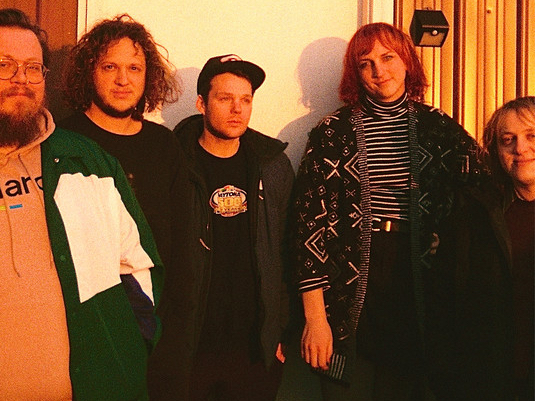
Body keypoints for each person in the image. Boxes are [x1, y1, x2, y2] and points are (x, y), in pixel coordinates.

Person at [292, 22, 510, 400]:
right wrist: (315, 318)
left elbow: (486, 184)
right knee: (345, 387)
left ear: (407, 60)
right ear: (355, 74)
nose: (379, 70)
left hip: (418, 276)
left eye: (388, 57)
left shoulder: (436, 127)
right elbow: (307, 227)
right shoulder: (332, 132)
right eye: (366, 63)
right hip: (347, 283)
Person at [0, 8, 162, 400]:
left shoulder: (88, 161)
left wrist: (131, 347)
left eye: (33, 68)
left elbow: (137, 265)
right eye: (4, 65)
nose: (21, 79)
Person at [147, 54, 294, 401]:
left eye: (246, 100)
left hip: (253, 349)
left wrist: (281, 330)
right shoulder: (173, 163)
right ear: (201, 103)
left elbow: (289, 250)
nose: (237, 109)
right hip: (191, 346)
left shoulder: (272, 166)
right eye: (225, 98)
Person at [59, 14, 180, 273]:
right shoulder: (62, 141)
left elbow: (184, 239)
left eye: (134, 68)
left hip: (155, 295)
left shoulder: (164, 144)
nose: (123, 80)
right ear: (89, 72)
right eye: (110, 67)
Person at [483, 97, 534, 401]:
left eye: (532, 135)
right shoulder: (480, 219)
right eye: (507, 140)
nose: (520, 148)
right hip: (499, 381)